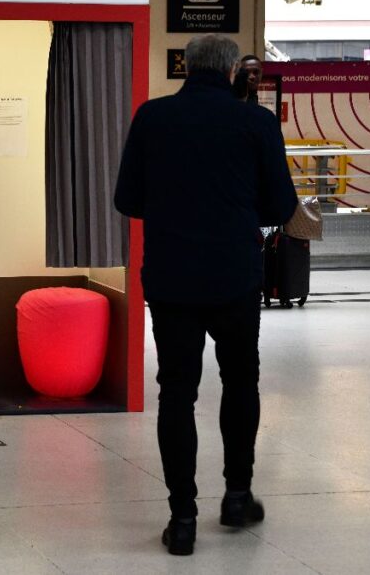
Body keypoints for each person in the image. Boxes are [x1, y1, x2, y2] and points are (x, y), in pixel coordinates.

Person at [114, 34, 297, 557]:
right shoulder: (257, 123)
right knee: (241, 381)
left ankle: (183, 517)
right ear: (233, 69)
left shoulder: (153, 117)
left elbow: (128, 199)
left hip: (172, 278)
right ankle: (237, 496)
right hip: (236, 276)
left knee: (177, 392)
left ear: (186, 67)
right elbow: (280, 205)